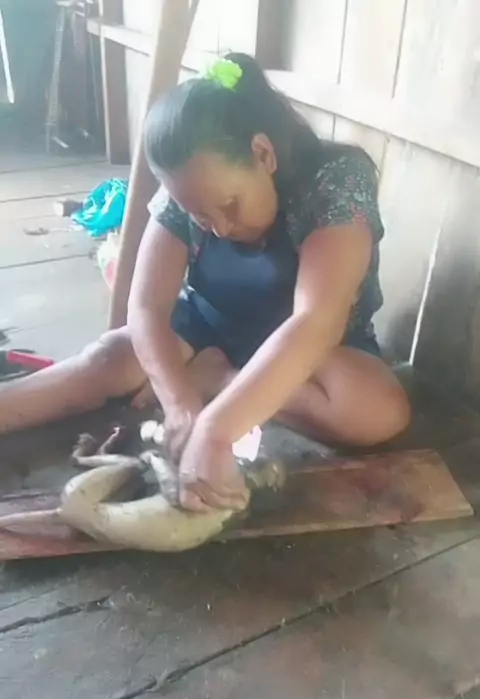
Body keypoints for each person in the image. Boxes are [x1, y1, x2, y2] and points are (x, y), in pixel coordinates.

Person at [0, 53, 410, 511]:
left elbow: (316, 321)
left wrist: (216, 430)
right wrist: (179, 402)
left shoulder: (336, 181)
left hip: (316, 351)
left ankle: (222, 380)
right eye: (200, 215)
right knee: (109, 360)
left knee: (377, 414)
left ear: (263, 154)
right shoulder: (186, 186)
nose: (219, 227)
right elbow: (147, 308)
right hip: (210, 328)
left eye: (230, 206)